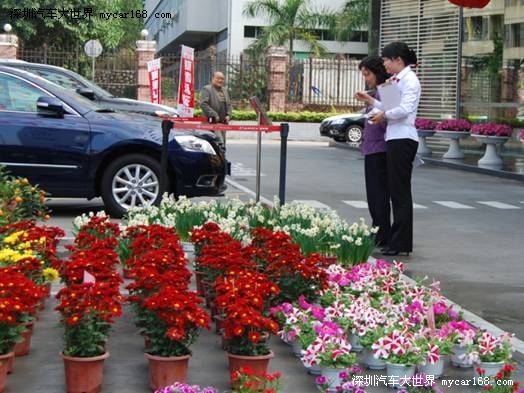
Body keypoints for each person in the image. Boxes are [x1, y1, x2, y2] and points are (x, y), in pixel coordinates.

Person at [355, 41, 420, 256]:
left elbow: (404, 109)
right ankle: (395, 239)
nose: (384, 64)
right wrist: (372, 100)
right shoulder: (396, 80)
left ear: (398, 60)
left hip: (403, 138)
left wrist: (383, 114)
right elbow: (390, 107)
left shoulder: (410, 80)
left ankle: (400, 242)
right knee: (394, 191)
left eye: (386, 60)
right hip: (394, 138)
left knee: (400, 193)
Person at [357, 55, 390, 248]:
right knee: (373, 194)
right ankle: (378, 229)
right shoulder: (378, 92)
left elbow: (392, 117)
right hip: (372, 148)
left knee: (379, 194)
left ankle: (382, 233)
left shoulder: (386, 90)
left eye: (367, 74)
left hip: (380, 149)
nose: (366, 79)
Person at [199, 71, 232, 147]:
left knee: (222, 144)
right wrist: (214, 114)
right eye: (218, 78)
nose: (220, 80)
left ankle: (222, 158)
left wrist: (228, 115)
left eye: (222, 79)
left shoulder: (225, 90)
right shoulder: (207, 89)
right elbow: (203, 104)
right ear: (213, 78)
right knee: (217, 144)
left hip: (222, 123)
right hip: (211, 123)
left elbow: (229, 105)